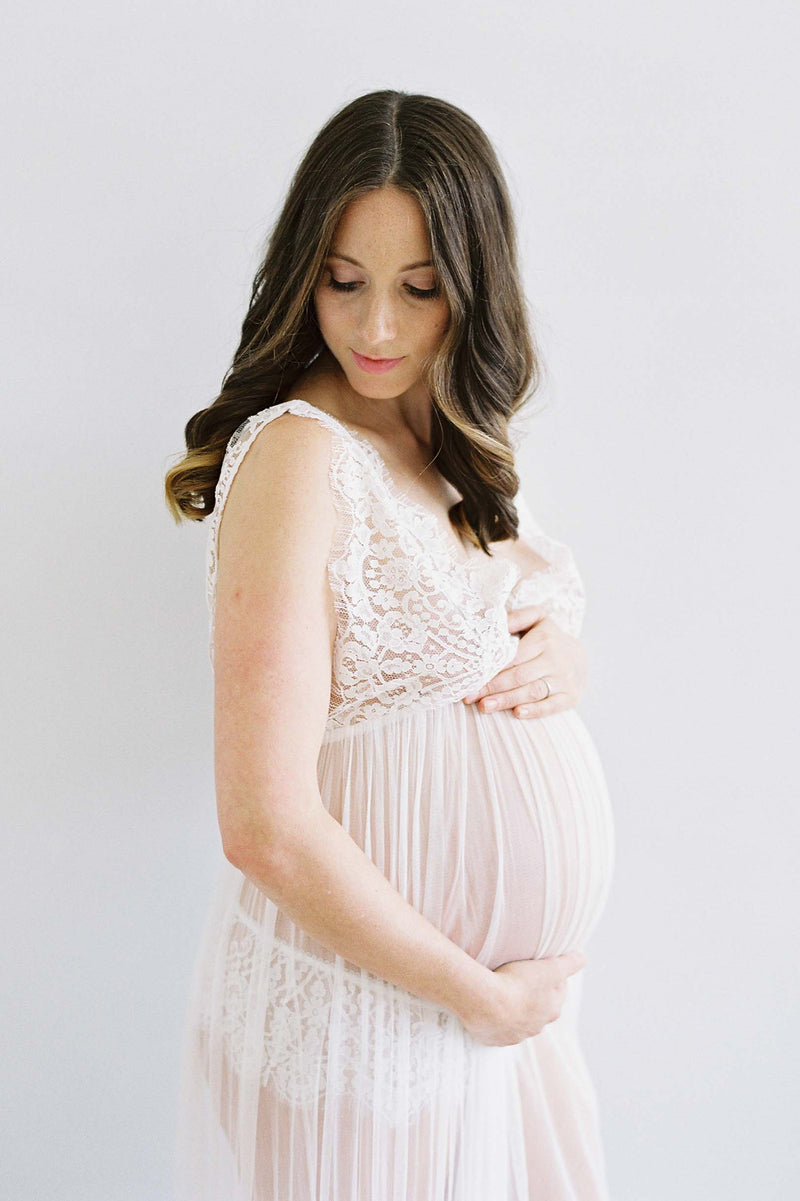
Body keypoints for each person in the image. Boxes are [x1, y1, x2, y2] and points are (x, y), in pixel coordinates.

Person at [165, 89, 615, 1201]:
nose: (375, 330)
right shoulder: (298, 455)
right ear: (300, 271)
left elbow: (475, 625)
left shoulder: (446, 437)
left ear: (472, 286)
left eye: (418, 291)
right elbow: (262, 823)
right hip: (367, 1017)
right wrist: (472, 991)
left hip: (476, 1031)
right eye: (342, 281)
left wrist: (562, 651)